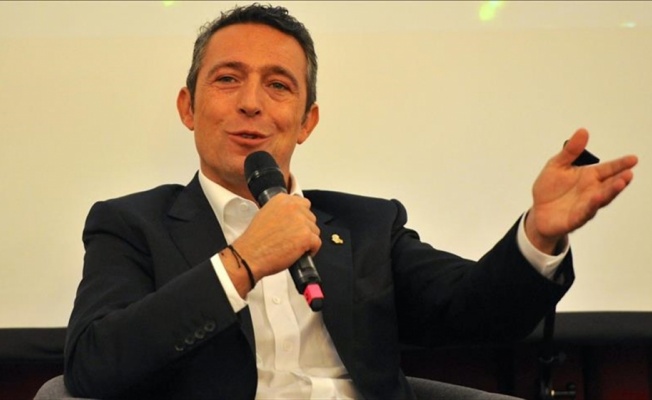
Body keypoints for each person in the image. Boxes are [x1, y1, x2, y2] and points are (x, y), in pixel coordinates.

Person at [63, 4, 638, 400]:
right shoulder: (131, 225)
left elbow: (477, 310)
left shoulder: (366, 225)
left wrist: (538, 235)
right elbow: (93, 365)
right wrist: (242, 262)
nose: (251, 103)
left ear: (306, 121)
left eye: (278, 85)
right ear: (188, 107)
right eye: (228, 79)